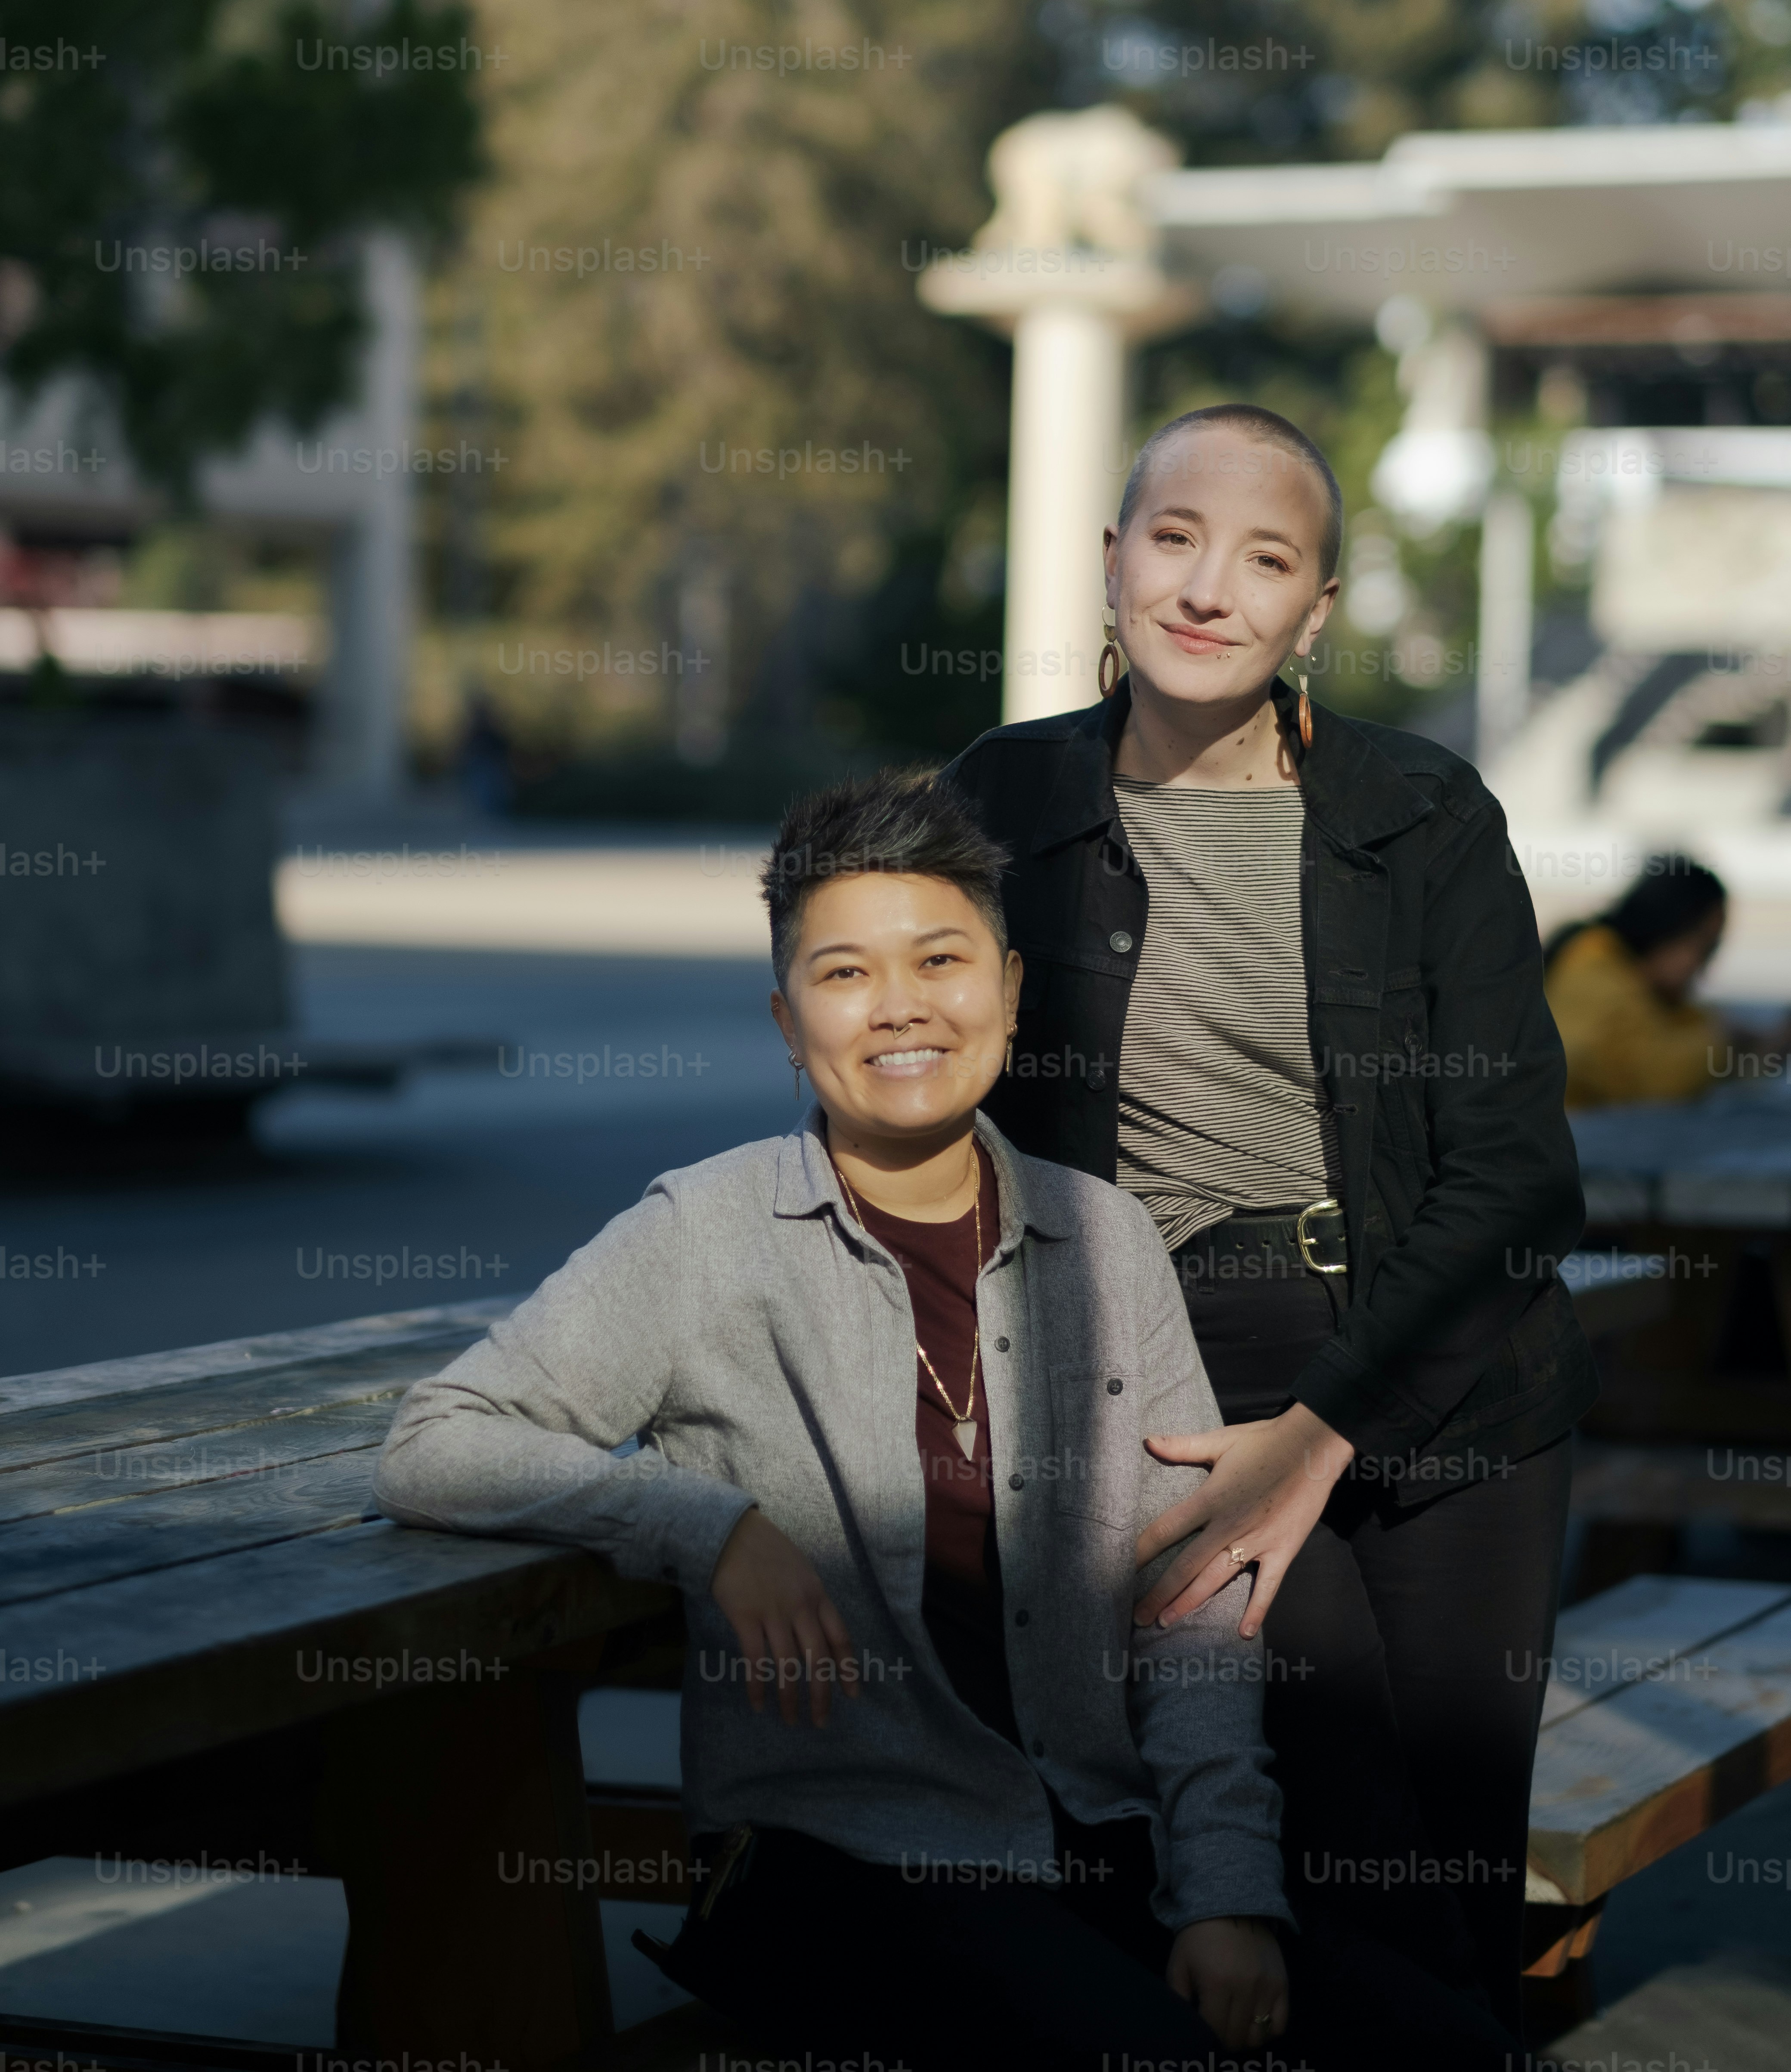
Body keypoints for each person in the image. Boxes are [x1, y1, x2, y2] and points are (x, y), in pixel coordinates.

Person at [375, 768, 1506, 2072]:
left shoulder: (1107, 1238)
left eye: (940, 959)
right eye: (844, 973)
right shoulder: (706, 1231)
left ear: (1012, 991)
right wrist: (706, 1522)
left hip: (1095, 1842)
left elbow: (1191, 1609)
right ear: (787, 1022)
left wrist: (1228, 1890)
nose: (900, 1004)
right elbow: (438, 1436)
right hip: (842, 1865)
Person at [947, 401, 1599, 2039]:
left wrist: (1321, 1433)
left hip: (1443, 1363)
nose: (1209, 587)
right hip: (1171, 1381)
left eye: (1267, 557)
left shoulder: (1418, 812)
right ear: (1111, 563)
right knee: (1328, 1822)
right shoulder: (1002, 799)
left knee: (1447, 1875)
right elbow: (902, 1080)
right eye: (1174, 538)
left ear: (1315, 612)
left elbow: (1520, 1172)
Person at [1543, 861, 1728, 1108]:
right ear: (1672, 925)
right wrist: (1723, 1042)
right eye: (1704, 947)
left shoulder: (1607, 963)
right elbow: (1655, 1078)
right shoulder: (1594, 973)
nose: (1701, 968)